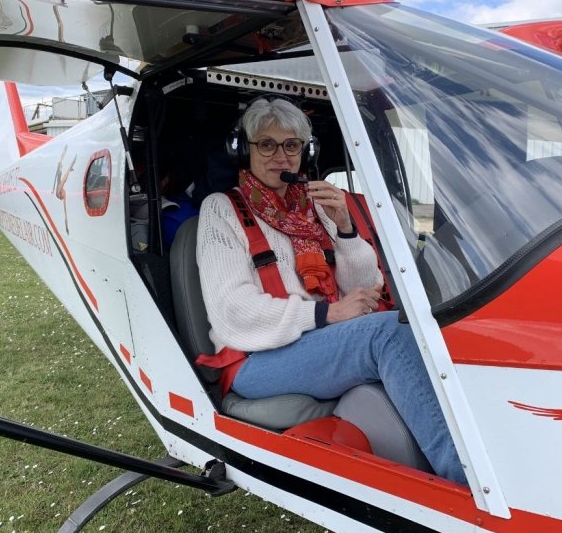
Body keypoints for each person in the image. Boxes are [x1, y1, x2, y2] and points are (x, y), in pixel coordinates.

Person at [196, 98, 467, 485]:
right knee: (387, 333)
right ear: (245, 150)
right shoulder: (220, 210)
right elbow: (232, 310)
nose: (280, 157)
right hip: (256, 357)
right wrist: (324, 314)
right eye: (266, 145)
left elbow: (362, 291)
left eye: (291, 146)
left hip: (320, 341)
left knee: (419, 323)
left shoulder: (316, 207)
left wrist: (344, 227)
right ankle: (463, 478)